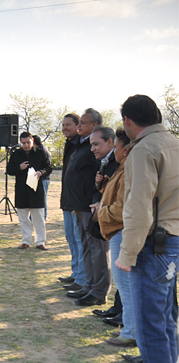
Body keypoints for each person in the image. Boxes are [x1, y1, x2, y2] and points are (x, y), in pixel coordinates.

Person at [116, 94, 179, 363]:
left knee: (151, 330)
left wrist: (126, 254)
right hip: (172, 243)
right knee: (166, 323)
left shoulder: (143, 150)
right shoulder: (175, 143)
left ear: (128, 121)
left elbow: (138, 207)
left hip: (154, 247)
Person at [92, 129, 136, 347]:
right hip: (118, 229)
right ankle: (130, 330)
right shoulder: (123, 169)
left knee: (126, 286)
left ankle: (131, 332)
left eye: (117, 147)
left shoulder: (128, 171)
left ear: (125, 150)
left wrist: (101, 212)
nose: (115, 151)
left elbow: (122, 207)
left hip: (121, 229)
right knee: (124, 285)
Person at [63, 108, 111, 306]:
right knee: (86, 247)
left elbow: (98, 178)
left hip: (91, 206)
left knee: (98, 248)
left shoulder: (96, 148)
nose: (79, 125)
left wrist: (95, 201)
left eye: (83, 122)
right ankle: (89, 286)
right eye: (79, 122)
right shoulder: (83, 145)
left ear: (95, 125)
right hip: (80, 205)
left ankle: (99, 291)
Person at [6, 132, 52, 250]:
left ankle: (40, 241)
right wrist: (19, 168)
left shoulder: (41, 153)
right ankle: (25, 240)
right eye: (23, 143)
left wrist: (41, 172)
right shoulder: (16, 154)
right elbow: (9, 170)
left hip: (36, 189)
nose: (26, 145)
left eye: (28, 142)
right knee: (23, 217)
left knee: (39, 217)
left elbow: (48, 167)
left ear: (32, 140)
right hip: (21, 189)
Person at [59, 113, 86, 292]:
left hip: (77, 202)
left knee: (79, 240)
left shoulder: (83, 145)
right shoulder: (69, 144)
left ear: (78, 126)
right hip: (67, 200)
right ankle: (76, 273)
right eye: (63, 125)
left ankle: (82, 278)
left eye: (69, 124)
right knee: (70, 238)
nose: (65, 128)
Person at [32, 135, 52, 220]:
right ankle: (33, 217)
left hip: (44, 178)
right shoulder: (38, 150)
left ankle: (43, 217)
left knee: (43, 199)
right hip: (38, 178)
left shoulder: (43, 151)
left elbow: (47, 167)